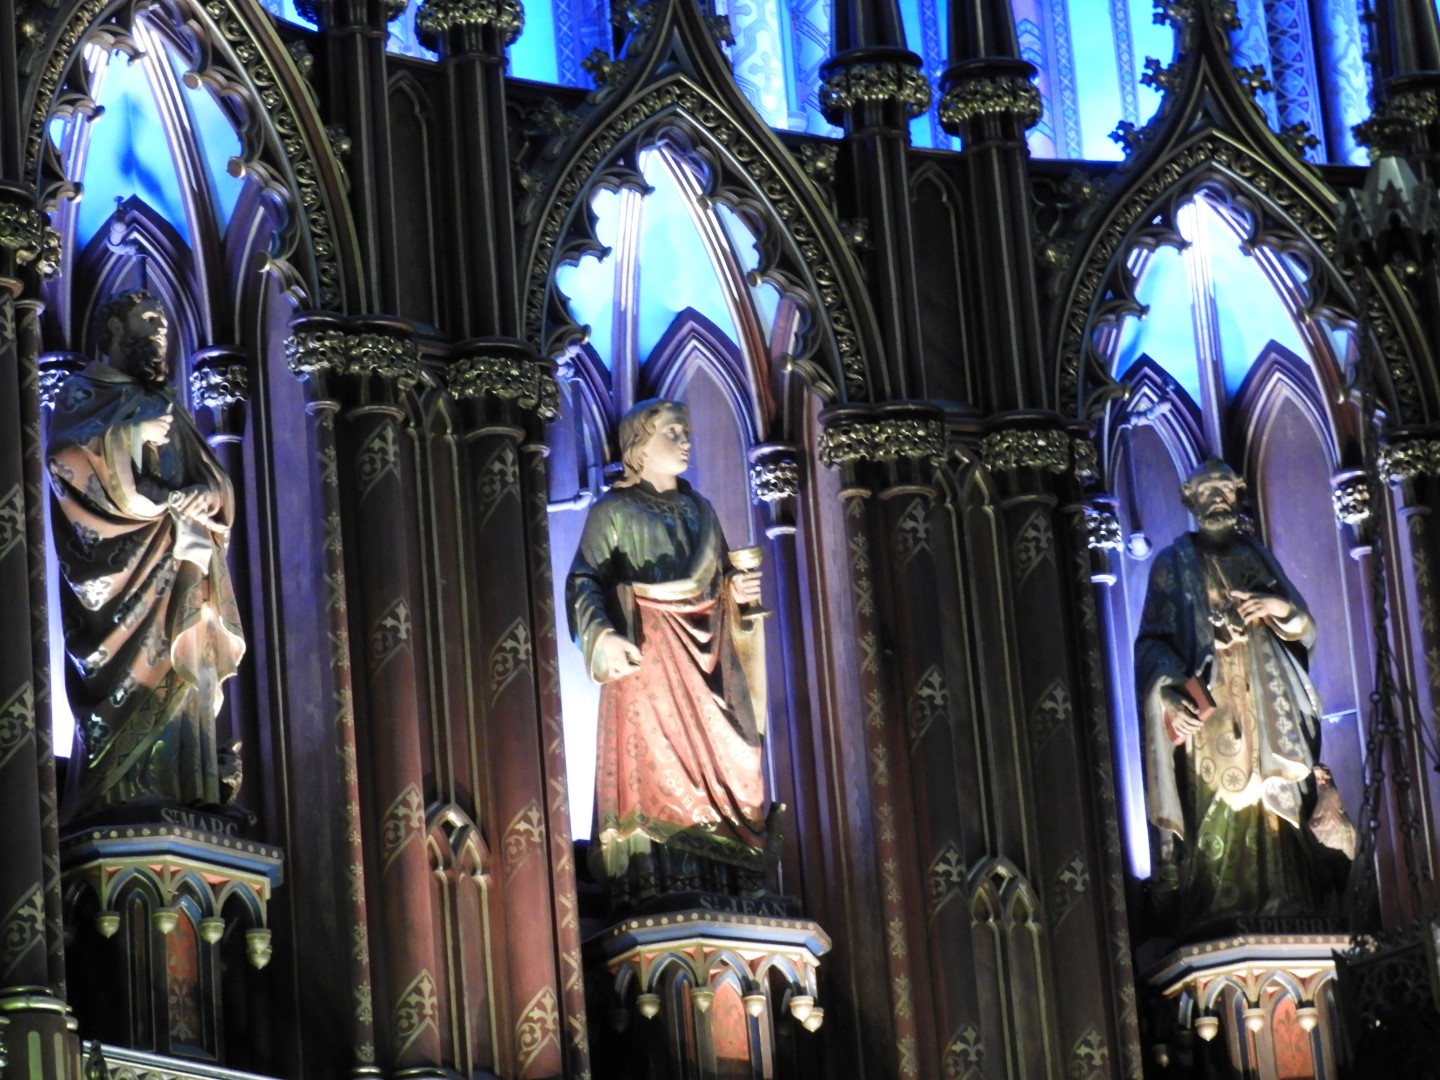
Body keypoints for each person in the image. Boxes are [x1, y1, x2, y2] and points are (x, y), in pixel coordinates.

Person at [48, 289, 245, 823]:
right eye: (148, 318)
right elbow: (66, 461)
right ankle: (118, 797)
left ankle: (190, 788)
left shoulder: (168, 406)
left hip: (181, 563)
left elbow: (213, 480)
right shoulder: (84, 390)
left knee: (186, 673)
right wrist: (131, 435)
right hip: (125, 576)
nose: (161, 329)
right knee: (130, 679)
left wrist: (208, 496)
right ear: (114, 329)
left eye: (163, 321)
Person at [566, 399, 771, 904]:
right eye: (672, 433)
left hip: (708, 662)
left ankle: (727, 878)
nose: (685, 442)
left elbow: (718, 583)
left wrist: (737, 593)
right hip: (651, 657)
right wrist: (602, 635)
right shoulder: (613, 510)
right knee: (655, 764)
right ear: (640, 445)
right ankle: (657, 877)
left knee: (738, 756)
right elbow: (584, 580)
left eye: (686, 432)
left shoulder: (702, 510)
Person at [1136, 459, 1351, 926]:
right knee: (1220, 806)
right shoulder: (1172, 565)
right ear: (1188, 498)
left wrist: (1278, 607)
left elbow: (1305, 631)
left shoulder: (1256, 557)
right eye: (1207, 489)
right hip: (1211, 715)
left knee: (1276, 802)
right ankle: (1219, 912)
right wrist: (1168, 693)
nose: (1218, 497)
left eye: (1225, 489)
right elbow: (1152, 643)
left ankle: (1289, 906)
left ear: (1237, 495)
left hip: (1268, 709)